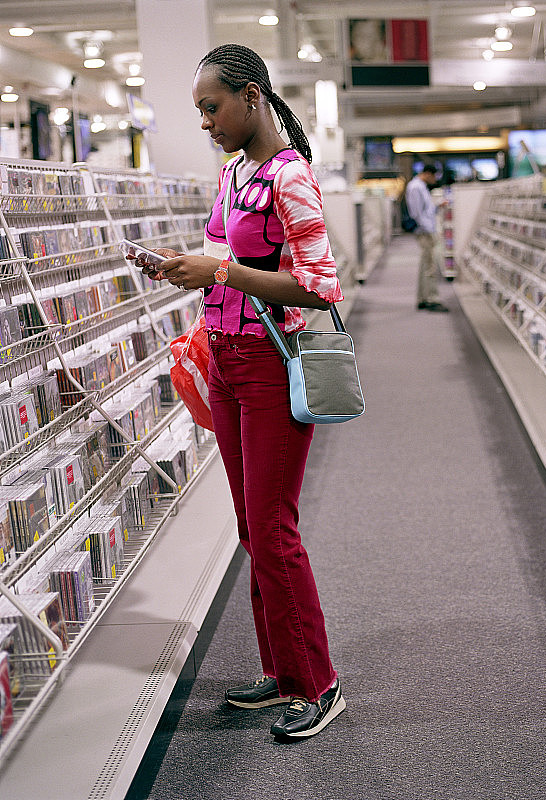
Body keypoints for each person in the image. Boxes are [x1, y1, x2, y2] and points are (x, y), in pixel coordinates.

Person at [133, 43, 345, 741]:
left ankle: (317, 683)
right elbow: (227, 260)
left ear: (251, 96)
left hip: (269, 364)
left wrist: (221, 274)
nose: (204, 122)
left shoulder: (291, 176)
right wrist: (182, 268)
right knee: (253, 529)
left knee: (274, 529)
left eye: (211, 106)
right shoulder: (232, 173)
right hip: (224, 360)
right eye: (199, 110)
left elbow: (318, 286)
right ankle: (282, 672)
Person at [405, 164, 449, 312]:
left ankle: (423, 298)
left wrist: (437, 205)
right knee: (430, 265)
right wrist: (429, 230)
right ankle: (431, 298)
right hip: (425, 232)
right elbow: (417, 213)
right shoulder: (415, 187)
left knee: (426, 265)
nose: (435, 180)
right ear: (428, 174)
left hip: (426, 229)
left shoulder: (421, 186)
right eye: (434, 176)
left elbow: (426, 210)